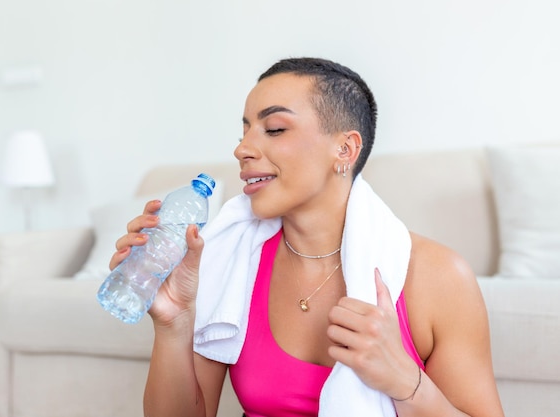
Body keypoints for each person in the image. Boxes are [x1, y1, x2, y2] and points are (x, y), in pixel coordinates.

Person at [110, 57, 505, 417]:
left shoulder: (438, 277)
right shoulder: (231, 257)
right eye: (245, 131)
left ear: (345, 149)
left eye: (275, 128)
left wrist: (405, 382)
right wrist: (174, 321)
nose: (242, 149)